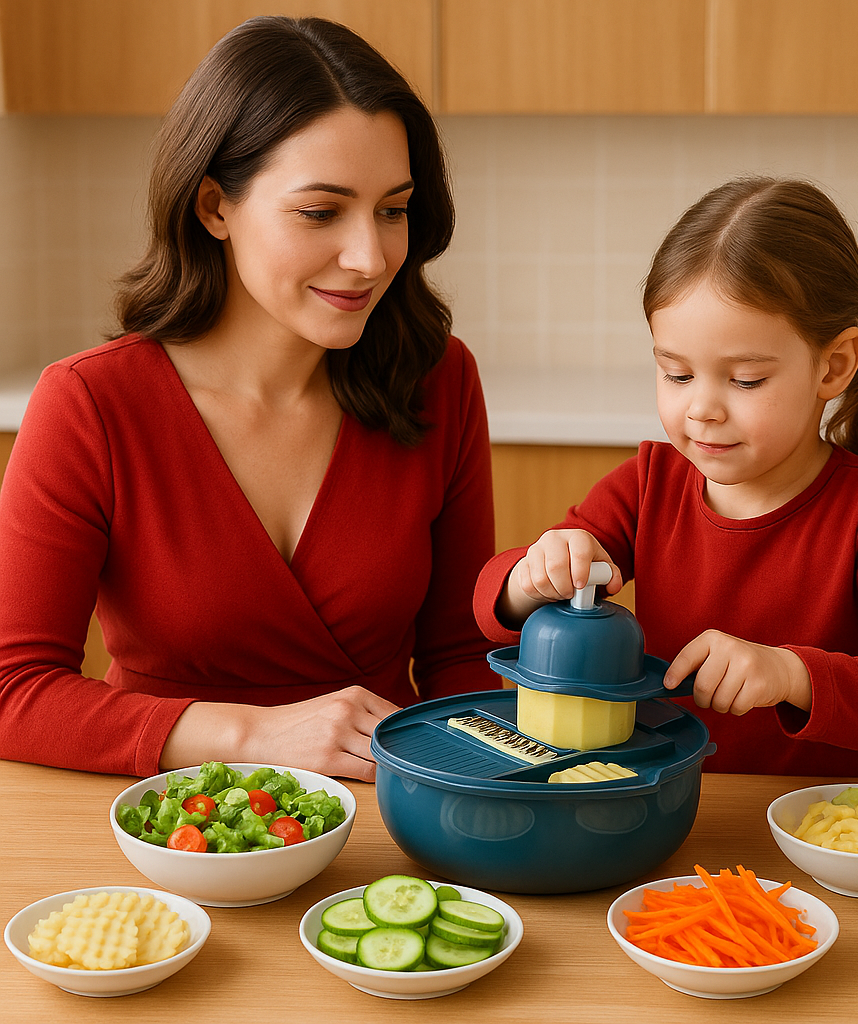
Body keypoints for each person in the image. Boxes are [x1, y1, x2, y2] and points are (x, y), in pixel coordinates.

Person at [0, 16, 500, 781]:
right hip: (166, 825)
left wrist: (472, 798)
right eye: (321, 211)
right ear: (214, 207)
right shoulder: (90, 405)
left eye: (393, 209)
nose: (370, 256)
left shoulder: (440, 381)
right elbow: (14, 693)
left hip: (383, 821)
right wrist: (251, 738)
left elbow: (460, 659)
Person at [474, 177, 858, 777]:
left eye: (744, 380)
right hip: (667, 815)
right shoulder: (648, 484)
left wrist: (792, 675)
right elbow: (490, 605)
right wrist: (533, 576)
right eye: (677, 375)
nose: (702, 410)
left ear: (834, 365)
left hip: (813, 838)